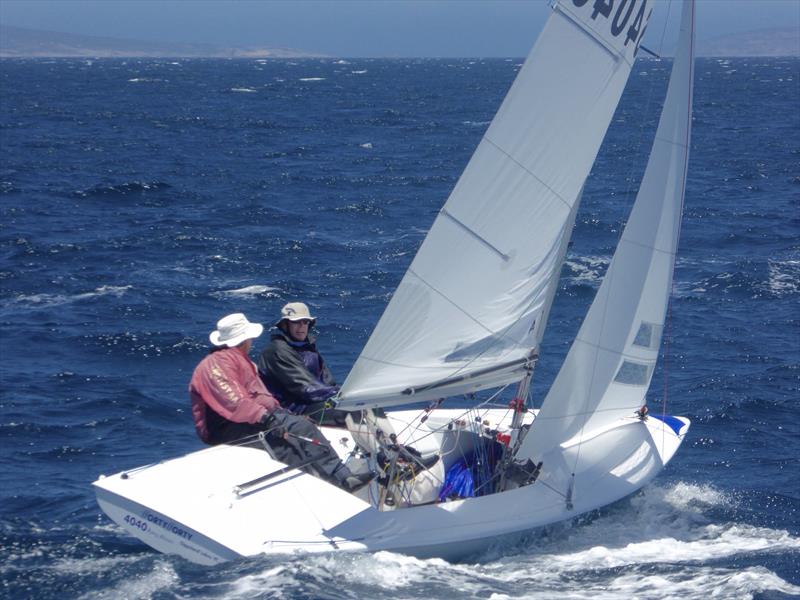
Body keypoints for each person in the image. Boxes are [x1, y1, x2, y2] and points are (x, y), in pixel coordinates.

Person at [189, 312, 372, 492]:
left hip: (248, 419)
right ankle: (335, 481)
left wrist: (282, 415)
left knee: (300, 426)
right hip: (225, 427)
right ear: (244, 340)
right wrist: (268, 419)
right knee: (286, 439)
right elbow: (235, 402)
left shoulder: (237, 360)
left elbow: (260, 396)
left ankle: (339, 477)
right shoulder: (216, 365)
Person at [257, 302, 349, 427]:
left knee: (364, 406)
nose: (301, 327)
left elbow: (327, 381)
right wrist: (340, 394)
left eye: (305, 322)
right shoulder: (277, 351)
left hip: (312, 401)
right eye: (296, 322)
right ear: (285, 325)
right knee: (346, 412)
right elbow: (306, 387)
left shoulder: (308, 347)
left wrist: (345, 393)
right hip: (292, 411)